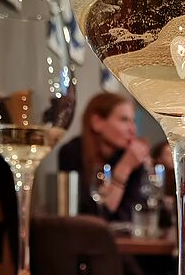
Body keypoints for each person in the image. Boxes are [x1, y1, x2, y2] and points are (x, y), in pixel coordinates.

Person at [59, 92, 150, 222]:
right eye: (124, 120)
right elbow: (93, 218)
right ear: (97, 122)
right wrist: (124, 168)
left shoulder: (131, 157)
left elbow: (132, 216)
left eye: (133, 121)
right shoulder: (72, 152)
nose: (133, 129)